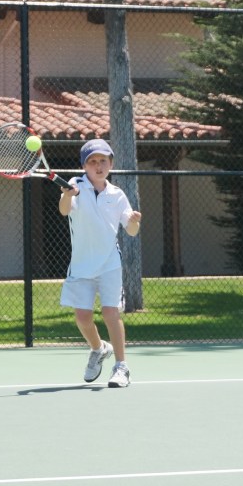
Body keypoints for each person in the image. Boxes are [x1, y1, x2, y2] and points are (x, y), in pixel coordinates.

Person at [58, 139, 141, 388]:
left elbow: (132, 230)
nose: (98, 165)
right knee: (82, 318)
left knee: (110, 312)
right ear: (85, 166)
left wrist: (135, 220)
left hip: (109, 264)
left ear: (111, 164)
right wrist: (66, 195)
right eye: (92, 161)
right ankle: (98, 349)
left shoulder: (117, 195)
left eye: (103, 161)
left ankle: (121, 367)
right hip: (82, 265)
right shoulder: (75, 185)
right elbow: (64, 211)